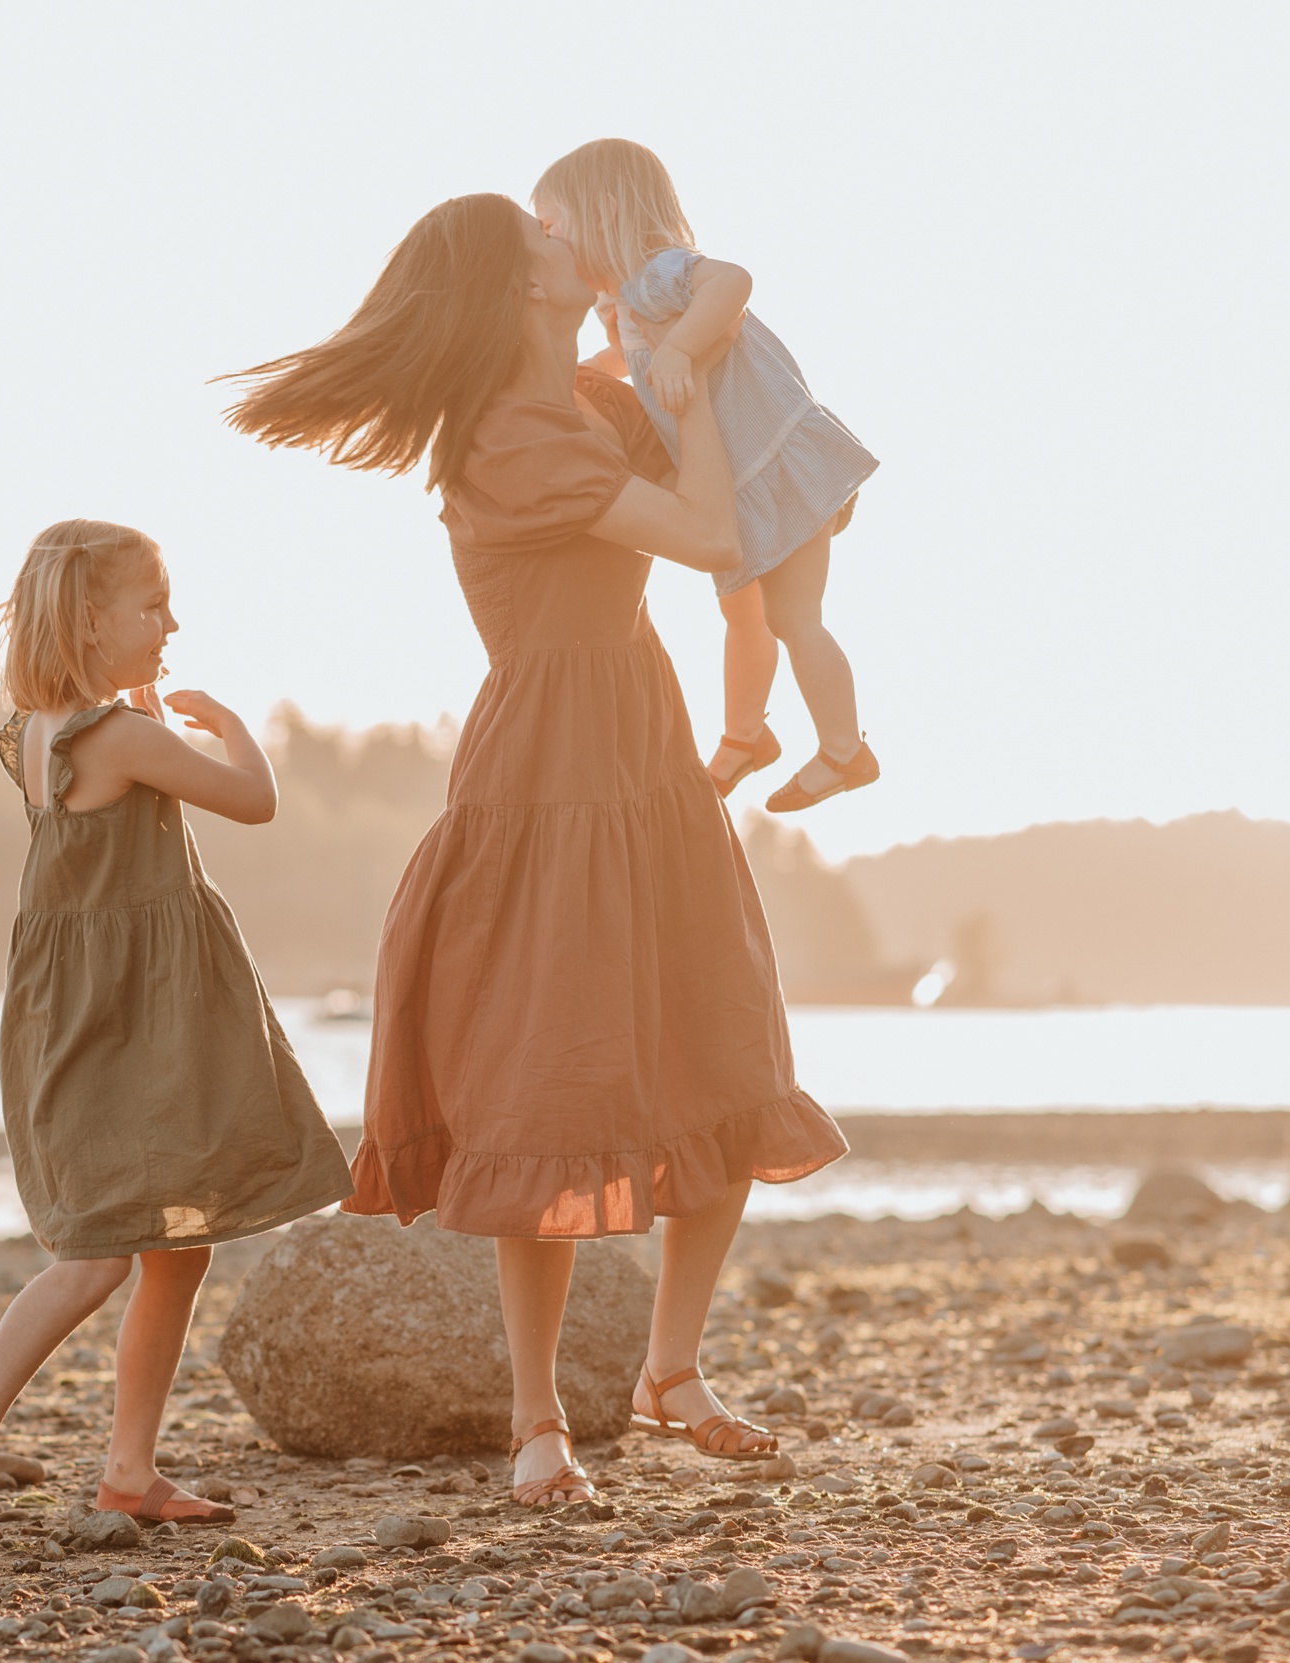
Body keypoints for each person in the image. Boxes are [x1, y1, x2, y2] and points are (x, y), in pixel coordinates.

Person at [225, 195, 846, 1506]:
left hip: (645, 756)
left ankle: (670, 1371)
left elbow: (719, 353)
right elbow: (714, 533)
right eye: (546, 236)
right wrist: (676, 384)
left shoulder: (585, 401)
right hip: (553, 768)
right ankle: (535, 1417)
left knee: (724, 1050)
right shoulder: (510, 439)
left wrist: (688, 336)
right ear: (515, 288)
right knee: (546, 1091)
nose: (574, 243)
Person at [0, 520, 354, 1538]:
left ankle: (128, 1469)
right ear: (89, 619)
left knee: (176, 1244)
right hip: (122, 1025)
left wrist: (150, 710)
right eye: (152, 605)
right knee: (97, 1250)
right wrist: (231, 722)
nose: (172, 622)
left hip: (112, 1015)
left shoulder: (41, 728)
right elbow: (253, 799)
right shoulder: (119, 738)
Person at [534, 138, 879, 811]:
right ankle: (745, 737)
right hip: (746, 485)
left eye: (552, 227)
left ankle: (844, 749)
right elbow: (623, 361)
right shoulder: (625, 306)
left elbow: (733, 281)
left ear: (603, 212)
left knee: (792, 616)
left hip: (780, 468)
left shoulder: (659, 276)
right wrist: (574, 378)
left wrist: (684, 349)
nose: (549, 242)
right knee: (741, 610)